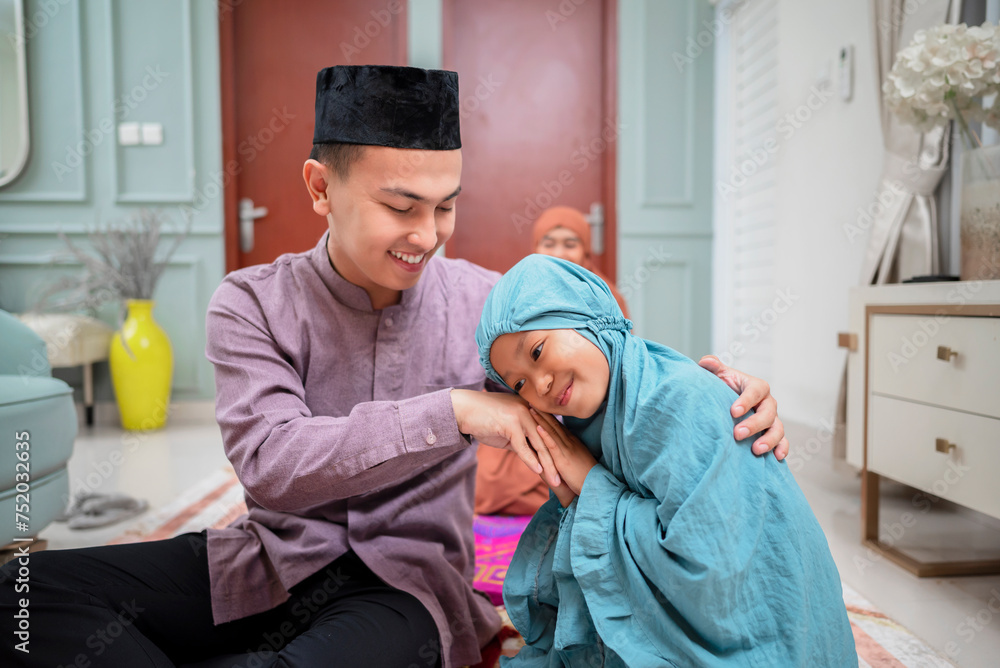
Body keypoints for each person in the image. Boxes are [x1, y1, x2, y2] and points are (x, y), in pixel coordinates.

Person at [0, 66, 787, 668]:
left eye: (445, 206)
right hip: (265, 562)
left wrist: (718, 401)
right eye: (401, 207)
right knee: (23, 599)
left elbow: (617, 381)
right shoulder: (250, 302)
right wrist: (456, 410)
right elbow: (274, 463)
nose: (428, 235)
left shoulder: (489, 308)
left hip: (405, 592)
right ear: (321, 187)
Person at [476, 254, 856, 667]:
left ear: (585, 314)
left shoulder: (678, 400)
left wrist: (590, 482)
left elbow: (710, 576)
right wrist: (578, 495)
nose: (541, 384)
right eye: (519, 383)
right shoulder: (592, 421)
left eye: (537, 351)